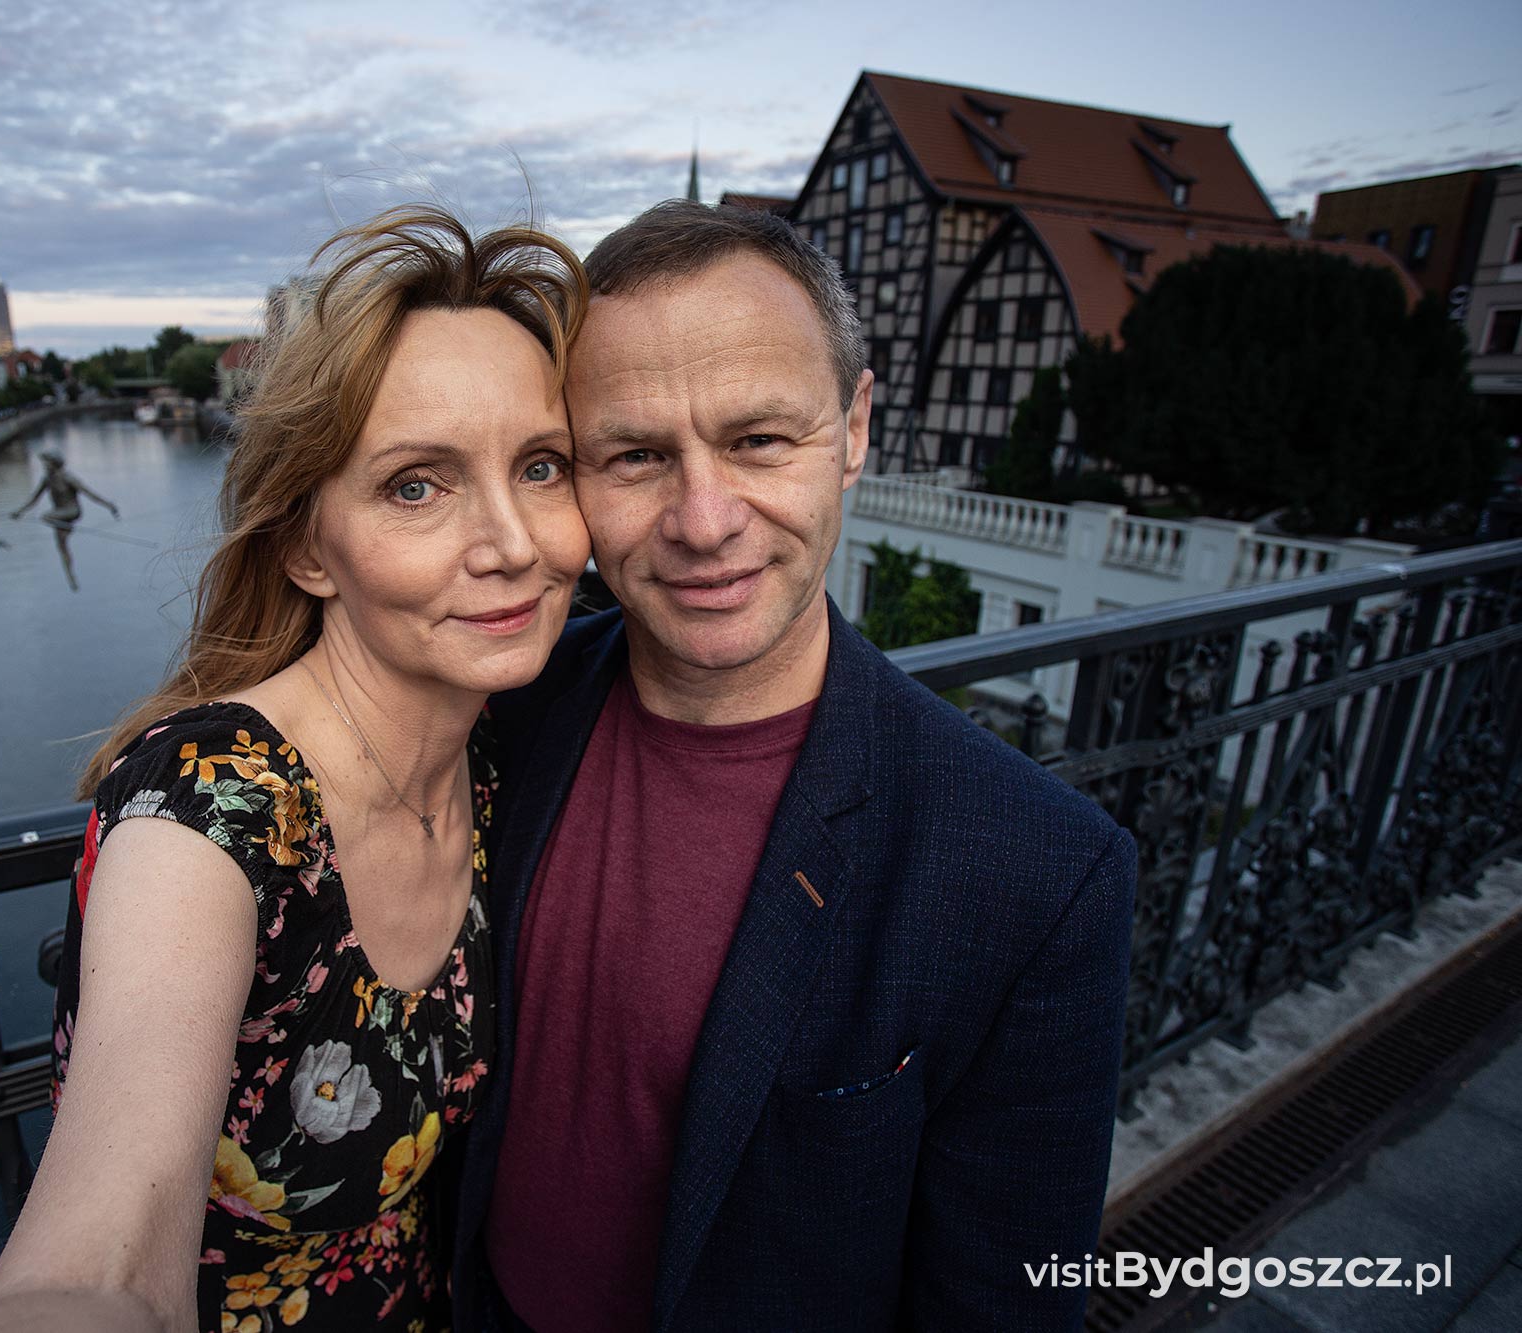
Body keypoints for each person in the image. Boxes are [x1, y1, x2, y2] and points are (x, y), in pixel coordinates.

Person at [455, 201, 1139, 1331]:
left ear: (855, 428)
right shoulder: (498, 707)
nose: (703, 519)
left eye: (759, 440)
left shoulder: (1037, 872)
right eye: (634, 456)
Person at [0, 205, 590, 1333]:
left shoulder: (491, 747)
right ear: (305, 547)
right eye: (416, 485)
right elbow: (99, 1262)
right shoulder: (211, 809)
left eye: (541, 467)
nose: (515, 542)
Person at [10, 448, 119, 591]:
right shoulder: (47, 480)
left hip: (71, 511)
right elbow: (34, 499)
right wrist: (20, 512)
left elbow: (89, 493)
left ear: (54, 463)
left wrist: (109, 505)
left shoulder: (68, 478)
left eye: (47, 462)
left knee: (45, 516)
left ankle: (68, 527)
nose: (45, 465)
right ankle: (71, 579)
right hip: (59, 515)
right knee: (61, 546)